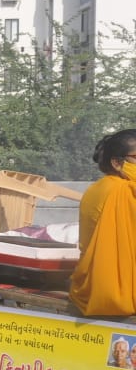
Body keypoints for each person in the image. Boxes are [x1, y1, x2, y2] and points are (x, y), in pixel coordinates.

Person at [70, 129, 136, 316]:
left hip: (89, 287)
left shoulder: (97, 187)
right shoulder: (123, 191)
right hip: (116, 290)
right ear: (117, 163)